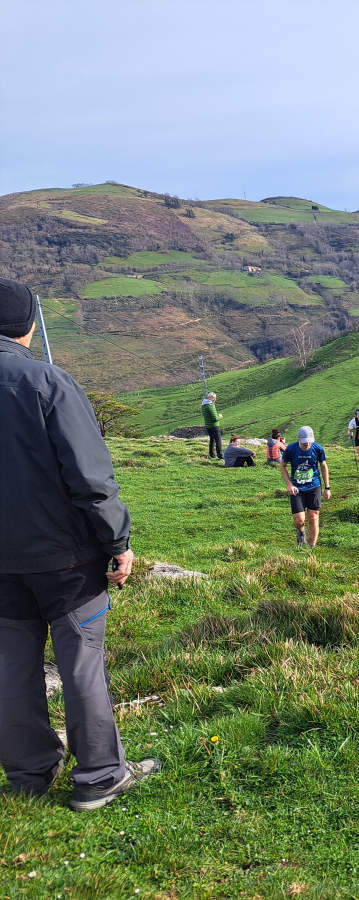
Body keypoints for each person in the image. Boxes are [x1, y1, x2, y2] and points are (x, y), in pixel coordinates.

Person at [0, 277, 160, 811]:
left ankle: (27, 774)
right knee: (82, 661)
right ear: (27, 327)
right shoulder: (47, 383)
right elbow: (90, 478)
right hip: (66, 559)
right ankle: (98, 776)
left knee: (10, 666)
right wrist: (117, 540)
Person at [280, 425, 332, 548]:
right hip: (297, 488)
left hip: (314, 486)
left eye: (309, 441)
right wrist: (289, 484)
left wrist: (327, 487)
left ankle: (311, 547)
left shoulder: (318, 449)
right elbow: (282, 466)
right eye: (304, 442)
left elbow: (323, 466)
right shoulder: (291, 449)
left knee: (313, 517)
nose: (307, 444)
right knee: (299, 520)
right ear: (299, 438)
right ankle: (301, 532)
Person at [200, 391, 222, 459]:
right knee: (218, 440)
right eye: (214, 398)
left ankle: (211, 454)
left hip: (208, 426)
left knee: (212, 439)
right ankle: (220, 455)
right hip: (214, 426)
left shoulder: (204, 405)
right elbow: (215, 418)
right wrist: (220, 416)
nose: (215, 400)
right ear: (211, 397)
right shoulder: (210, 405)